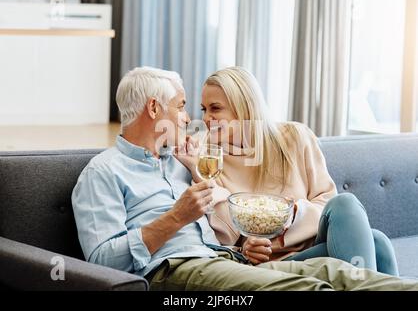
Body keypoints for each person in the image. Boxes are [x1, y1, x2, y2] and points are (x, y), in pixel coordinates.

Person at [71, 66, 418, 291]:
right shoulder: (106, 172)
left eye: (211, 109)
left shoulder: (176, 164)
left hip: (225, 259)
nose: (195, 118)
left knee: (349, 263)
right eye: (185, 106)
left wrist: (268, 227)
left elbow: (223, 235)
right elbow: (102, 264)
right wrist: (180, 214)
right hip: (184, 267)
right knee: (319, 283)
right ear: (153, 109)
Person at [177, 66, 399, 276]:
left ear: (244, 108)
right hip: (274, 264)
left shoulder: (294, 137)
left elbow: (329, 206)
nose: (206, 119)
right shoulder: (206, 154)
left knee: (350, 208)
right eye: (204, 110)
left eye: (215, 109)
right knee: (376, 243)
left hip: (314, 244)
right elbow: (228, 235)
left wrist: (294, 215)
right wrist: (247, 245)